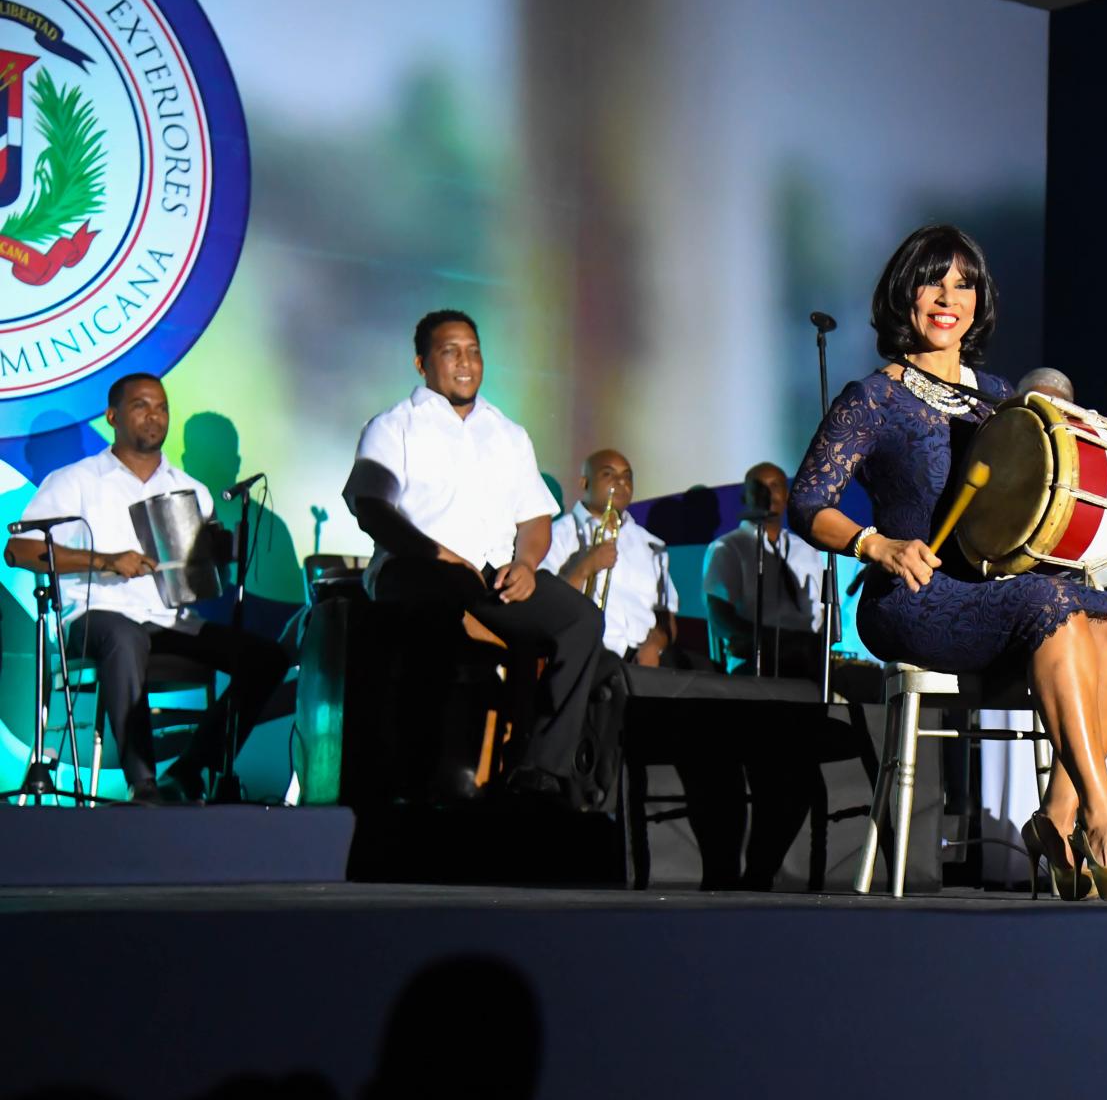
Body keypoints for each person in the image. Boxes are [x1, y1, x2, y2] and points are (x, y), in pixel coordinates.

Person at [789, 224, 1107, 901]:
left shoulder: (1000, 397)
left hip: (999, 593)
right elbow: (807, 501)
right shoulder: (873, 398)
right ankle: (1106, 822)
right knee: (1049, 605)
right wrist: (876, 543)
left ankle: (1056, 815)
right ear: (905, 294)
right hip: (913, 599)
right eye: (933, 280)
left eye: (964, 282)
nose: (947, 296)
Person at [342, 309, 603, 798]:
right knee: (435, 616)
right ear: (422, 363)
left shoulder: (507, 433)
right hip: (415, 568)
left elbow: (534, 519)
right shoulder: (394, 426)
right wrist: (437, 555)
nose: (465, 362)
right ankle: (419, 784)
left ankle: (539, 770)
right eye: (450, 351)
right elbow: (370, 506)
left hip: (490, 576)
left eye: (473, 351)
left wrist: (526, 564)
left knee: (581, 621)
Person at [5, 374, 290, 804]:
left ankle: (190, 771)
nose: (153, 416)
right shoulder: (76, 480)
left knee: (266, 657)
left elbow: (198, 581)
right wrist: (103, 560)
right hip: (93, 616)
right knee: (125, 634)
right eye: (140, 406)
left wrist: (213, 558)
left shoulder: (190, 490)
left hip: (166, 620)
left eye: (161, 407)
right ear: (113, 416)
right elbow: (19, 550)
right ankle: (144, 783)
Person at [542, 449, 678, 666]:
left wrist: (654, 646)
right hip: (588, 657)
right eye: (608, 474)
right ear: (585, 483)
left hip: (646, 660)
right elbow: (544, 606)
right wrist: (583, 567)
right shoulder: (558, 535)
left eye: (627, 476)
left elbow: (666, 614)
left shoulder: (651, 544)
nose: (620, 482)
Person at [701, 462, 823, 676]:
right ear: (744, 497)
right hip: (756, 658)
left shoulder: (806, 549)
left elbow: (822, 611)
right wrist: (771, 641)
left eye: (775, 486)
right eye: (758, 488)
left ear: (787, 495)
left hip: (808, 659)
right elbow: (719, 616)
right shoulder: (728, 547)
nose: (767, 494)